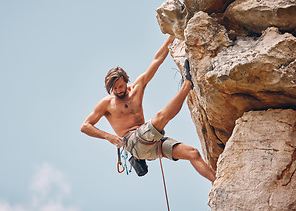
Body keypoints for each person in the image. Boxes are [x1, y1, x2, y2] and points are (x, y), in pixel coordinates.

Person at [81, 35, 216, 182]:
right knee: (160, 117)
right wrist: (109, 137)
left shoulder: (138, 87)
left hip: (151, 141)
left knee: (192, 153)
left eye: (120, 86)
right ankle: (187, 84)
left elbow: (157, 60)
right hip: (133, 143)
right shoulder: (107, 103)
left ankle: (216, 182)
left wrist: (172, 35)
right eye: (114, 88)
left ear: (126, 80)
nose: (118, 90)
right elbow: (85, 126)